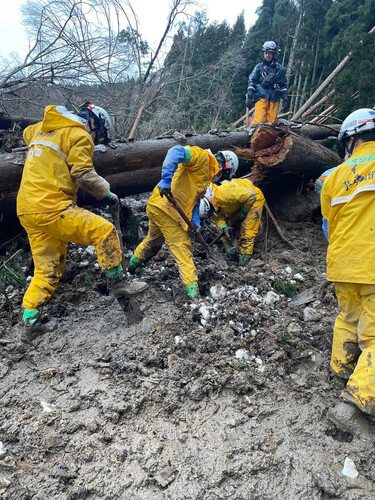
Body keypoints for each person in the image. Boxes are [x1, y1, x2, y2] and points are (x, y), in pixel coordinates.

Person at [17, 103, 148, 340]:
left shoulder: (38, 130)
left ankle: (31, 322)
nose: (94, 141)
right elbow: (83, 173)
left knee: (47, 268)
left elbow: (26, 134)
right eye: (98, 136)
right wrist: (107, 193)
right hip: (52, 206)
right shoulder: (80, 134)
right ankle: (118, 282)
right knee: (105, 232)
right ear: (93, 124)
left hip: (27, 209)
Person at [321, 107, 375, 417]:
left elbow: (329, 225)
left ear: (351, 140)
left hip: (342, 262)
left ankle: (341, 368)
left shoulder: (335, 176)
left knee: (348, 317)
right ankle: (355, 402)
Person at [127, 147, 238, 299]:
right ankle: (194, 295)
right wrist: (166, 179)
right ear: (224, 168)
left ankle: (130, 268)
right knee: (183, 249)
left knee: (153, 242)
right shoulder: (202, 158)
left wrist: (195, 221)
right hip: (167, 208)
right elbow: (175, 151)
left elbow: (195, 201)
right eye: (223, 176)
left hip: (157, 207)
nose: (219, 179)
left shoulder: (206, 179)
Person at [199, 178, 264, 265]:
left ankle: (245, 257)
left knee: (247, 229)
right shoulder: (212, 204)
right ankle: (231, 251)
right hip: (236, 205)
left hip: (253, 200)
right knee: (228, 229)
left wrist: (244, 211)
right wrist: (223, 227)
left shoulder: (223, 195)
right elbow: (218, 218)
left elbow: (251, 194)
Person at [246, 41, 288, 125]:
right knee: (259, 121)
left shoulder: (280, 69)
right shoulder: (259, 67)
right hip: (261, 97)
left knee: (272, 123)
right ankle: (252, 136)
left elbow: (283, 84)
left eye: (269, 53)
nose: (267, 55)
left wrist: (285, 98)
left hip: (274, 98)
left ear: (274, 54)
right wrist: (249, 95)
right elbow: (252, 81)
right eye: (266, 53)